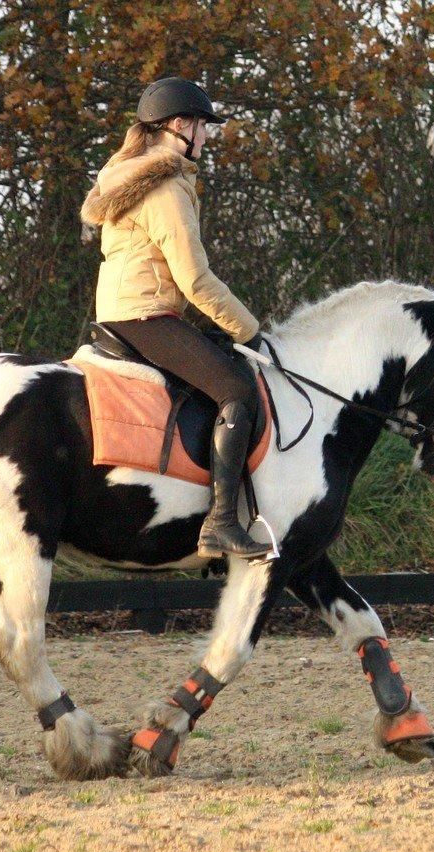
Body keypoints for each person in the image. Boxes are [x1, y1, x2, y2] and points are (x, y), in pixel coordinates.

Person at [80, 76, 271, 560]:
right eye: (204, 126)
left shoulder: (133, 173)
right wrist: (251, 330)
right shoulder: (165, 187)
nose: (207, 136)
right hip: (144, 316)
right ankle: (222, 523)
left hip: (129, 311)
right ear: (180, 125)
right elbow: (197, 281)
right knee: (237, 388)